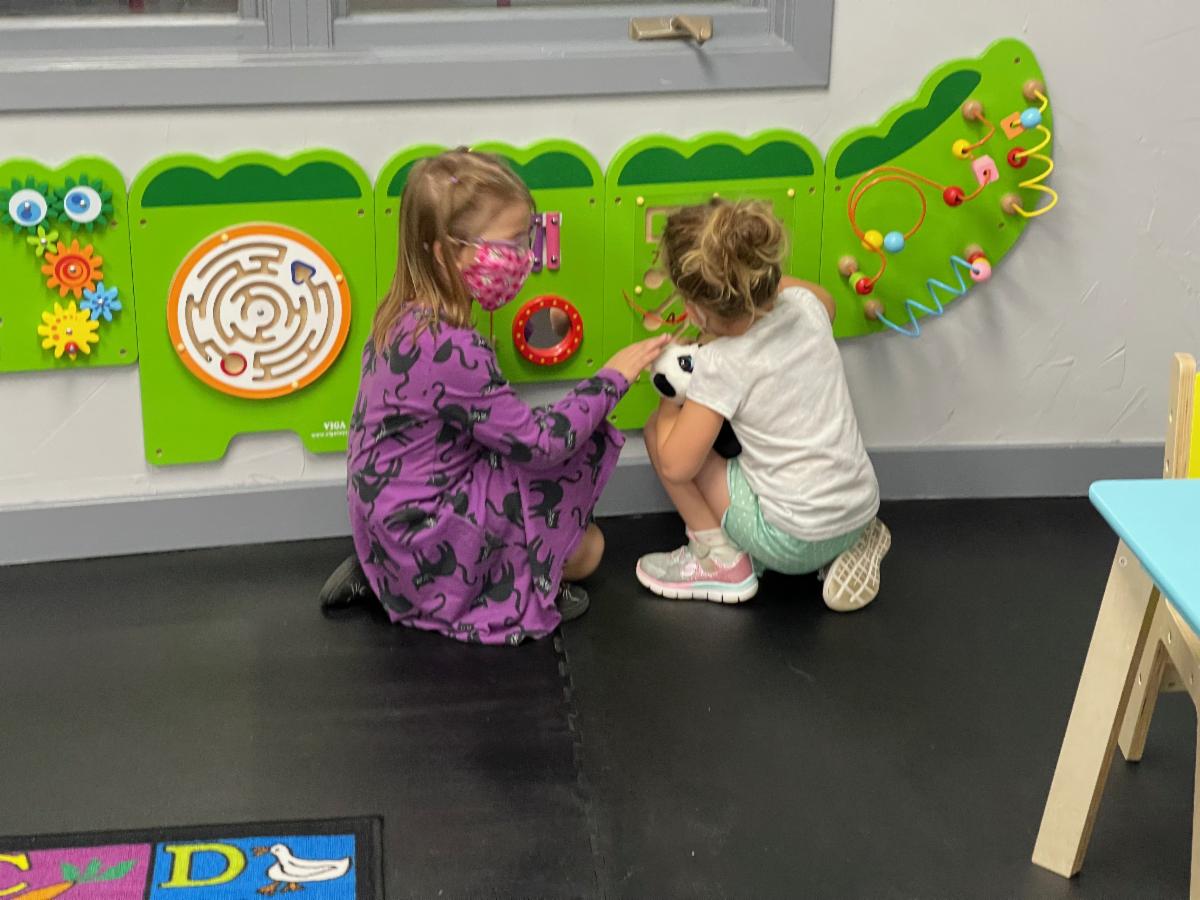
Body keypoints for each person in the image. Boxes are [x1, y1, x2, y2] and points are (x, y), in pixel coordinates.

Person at [320, 148, 669, 644]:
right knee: (587, 550)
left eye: (527, 240)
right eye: (510, 245)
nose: (523, 258)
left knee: (562, 489)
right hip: (422, 528)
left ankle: (387, 573)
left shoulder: (399, 317)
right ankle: (451, 585)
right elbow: (541, 444)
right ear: (445, 251)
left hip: (390, 521)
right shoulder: (449, 347)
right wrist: (613, 376)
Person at [637, 199, 889, 611]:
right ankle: (847, 542)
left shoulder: (721, 363)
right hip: (859, 508)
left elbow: (676, 466)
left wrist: (668, 403)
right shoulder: (808, 307)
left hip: (791, 542)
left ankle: (718, 560)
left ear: (695, 311)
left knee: (656, 433)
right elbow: (828, 301)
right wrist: (751, 279)